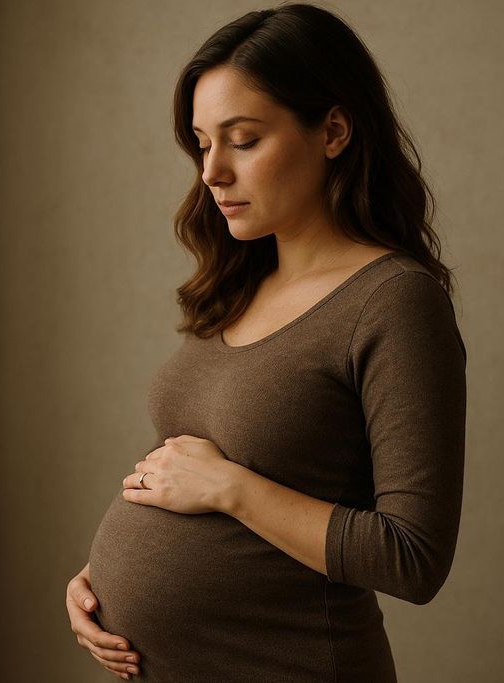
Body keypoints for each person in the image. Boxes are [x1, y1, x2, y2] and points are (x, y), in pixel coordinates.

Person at [65, 3, 467, 681]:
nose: (211, 171)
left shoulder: (393, 300)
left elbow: (412, 554)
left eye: (242, 139)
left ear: (333, 130)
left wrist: (229, 488)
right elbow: (188, 479)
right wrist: (98, 580)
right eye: (201, 142)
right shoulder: (242, 284)